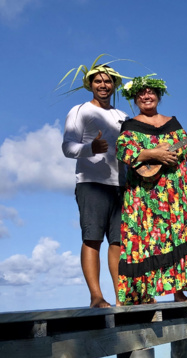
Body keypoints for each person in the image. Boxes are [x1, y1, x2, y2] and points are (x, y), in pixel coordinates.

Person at [116, 75, 187, 305]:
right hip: (144, 195)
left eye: (151, 92)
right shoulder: (130, 126)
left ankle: (179, 293)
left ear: (158, 96)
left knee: (177, 237)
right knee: (146, 240)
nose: (146, 96)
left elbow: (186, 154)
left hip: (175, 194)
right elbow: (123, 152)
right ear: (135, 98)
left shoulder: (173, 124)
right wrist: (151, 154)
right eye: (141, 94)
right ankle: (143, 295)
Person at [62, 63, 128, 307]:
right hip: (91, 183)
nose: (103, 85)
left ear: (114, 85)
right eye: (98, 81)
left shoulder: (122, 116)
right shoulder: (80, 111)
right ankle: (97, 297)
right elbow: (67, 146)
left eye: (108, 81)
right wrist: (90, 148)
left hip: (120, 185)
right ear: (90, 84)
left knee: (118, 242)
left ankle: (122, 297)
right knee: (92, 239)